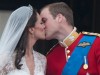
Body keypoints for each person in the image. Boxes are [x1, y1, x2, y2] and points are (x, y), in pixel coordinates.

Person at [40, 2, 100, 75]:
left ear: (59, 18)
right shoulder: (51, 56)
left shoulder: (96, 43)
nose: (42, 26)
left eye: (44, 21)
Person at [0, 5, 46, 75]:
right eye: (41, 23)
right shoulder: (5, 58)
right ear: (31, 29)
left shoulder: (42, 60)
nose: (44, 26)